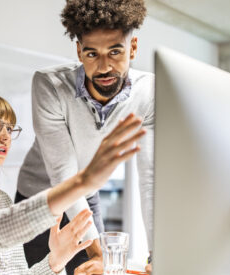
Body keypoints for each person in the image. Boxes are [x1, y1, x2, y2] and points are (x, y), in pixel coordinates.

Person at [0, 91, 145, 274]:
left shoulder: (0, 199)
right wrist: (79, 183)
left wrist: (56, 260)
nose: (5, 135)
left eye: (9, 128)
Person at [16, 0, 153, 274]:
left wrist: (157, 253)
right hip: (40, 201)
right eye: (92, 54)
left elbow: (150, 177)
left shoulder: (147, 92)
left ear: (133, 47)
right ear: (79, 51)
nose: (103, 67)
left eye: (115, 52)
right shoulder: (50, 85)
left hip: (86, 197)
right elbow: (63, 176)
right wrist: (98, 250)